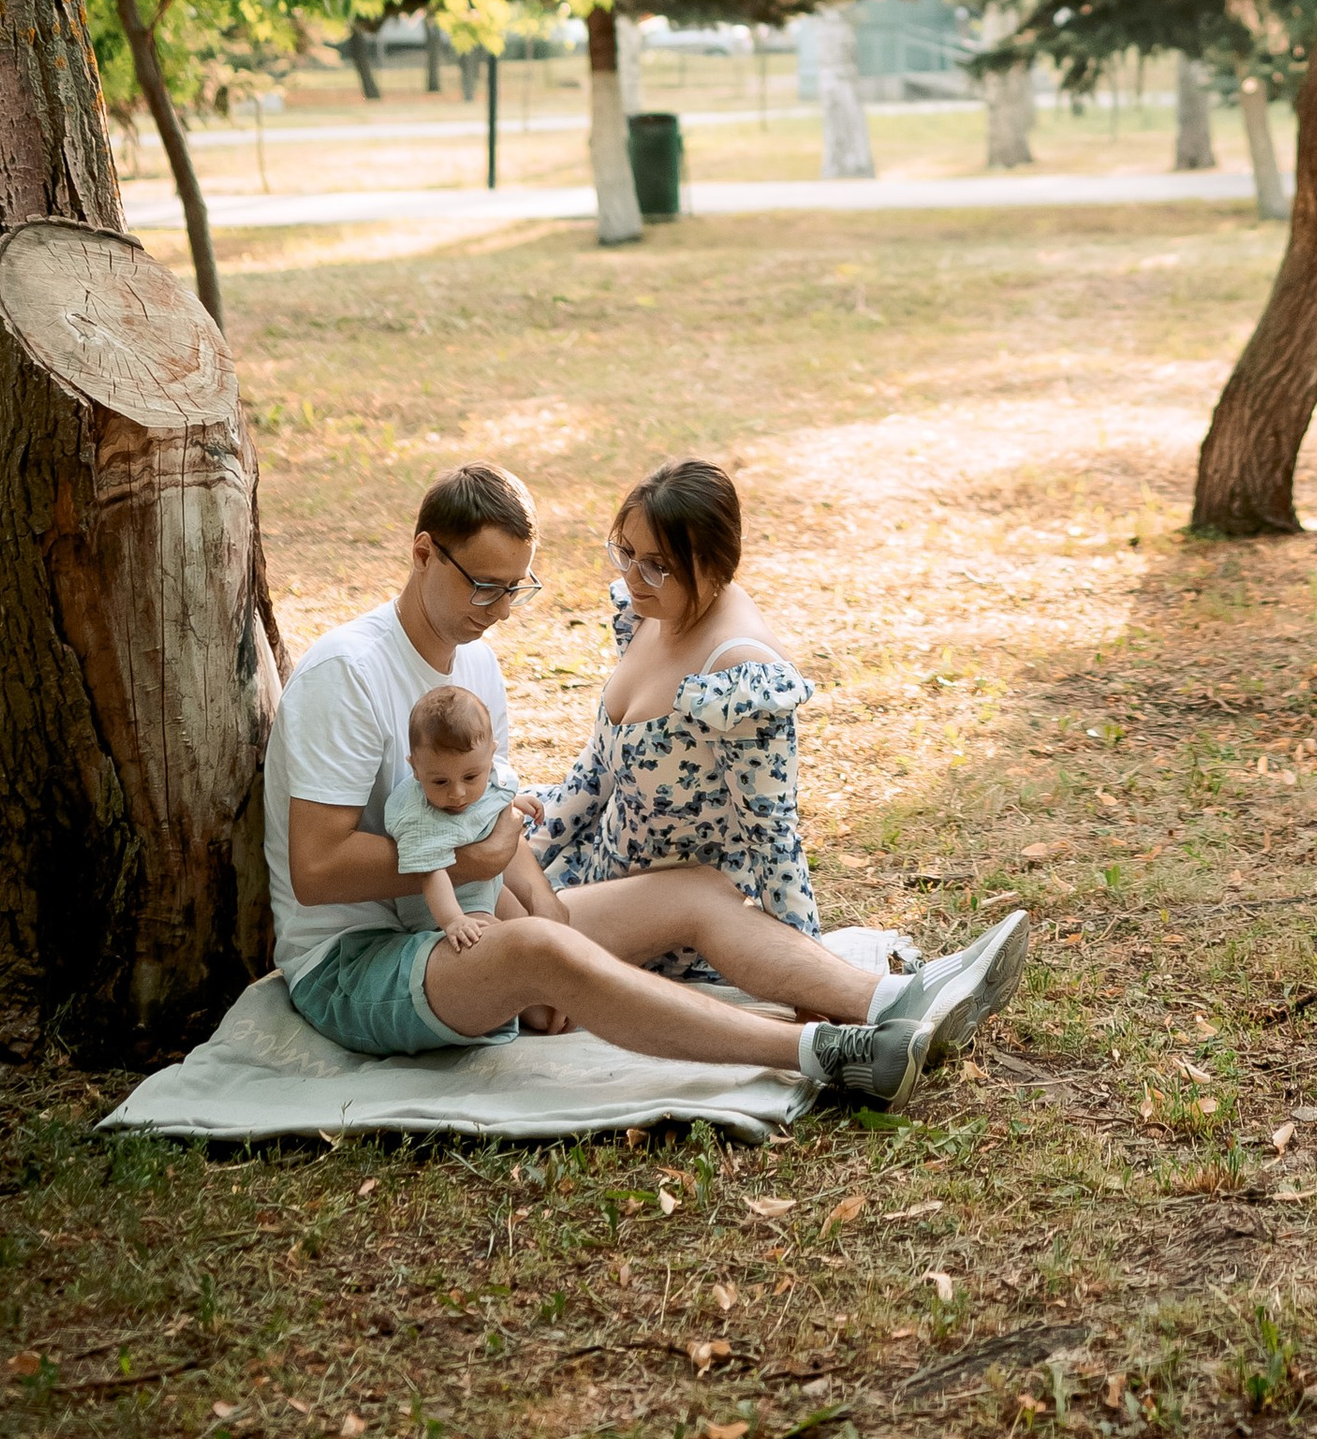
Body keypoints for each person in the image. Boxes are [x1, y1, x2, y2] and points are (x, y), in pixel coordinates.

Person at [262, 461, 946, 1101]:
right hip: (357, 964)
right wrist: (505, 902)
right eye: (484, 585)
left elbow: (489, 827)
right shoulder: (347, 674)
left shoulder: (475, 668)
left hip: (465, 928)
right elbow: (317, 867)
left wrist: (545, 915)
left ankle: (894, 999)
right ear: (422, 554)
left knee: (694, 890)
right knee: (541, 946)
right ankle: (822, 1050)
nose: (500, 609)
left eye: (515, 588)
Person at [522, 455, 1027, 1058]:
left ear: (710, 567)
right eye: (625, 552)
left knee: (513, 944)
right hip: (593, 876)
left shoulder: (739, 672)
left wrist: (807, 973)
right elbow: (591, 779)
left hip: (675, 916)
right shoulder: (649, 613)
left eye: (657, 565)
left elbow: (774, 839)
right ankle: (906, 997)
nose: (634, 576)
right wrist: (515, 864)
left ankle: (890, 998)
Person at [393, 684, 523, 956]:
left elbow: (488, 799)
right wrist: (453, 919)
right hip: (445, 904)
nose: (457, 793)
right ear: (415, 768)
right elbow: (430, 872)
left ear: (491, 756)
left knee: (527, 925)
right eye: (440, 781)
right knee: (507, 946)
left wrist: (513, 801)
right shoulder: (419, 817)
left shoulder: (485, 776)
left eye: (471, 778)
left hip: (486, 888)